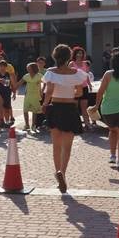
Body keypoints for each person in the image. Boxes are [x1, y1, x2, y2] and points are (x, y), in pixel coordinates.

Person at [42, 45, 87, 193]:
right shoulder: (77, 73)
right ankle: (63, 173)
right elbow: (79, 92)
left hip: (55, 107)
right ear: (69, 57)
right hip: (70, 109)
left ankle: (57, 172)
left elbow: (48, 91)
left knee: (56, 145)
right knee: (67, 146)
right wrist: (70, 90)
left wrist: (44, 104)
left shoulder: (50, 73)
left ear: (55, 57)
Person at [91, 52, 119, 172]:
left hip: (108, 109)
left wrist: (96, 105)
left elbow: (100, 92)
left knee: (112, 131)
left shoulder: (108, 74)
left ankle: (112, 155)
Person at [68, 47, 94, 130]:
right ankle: (74, 124)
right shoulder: (71, 63)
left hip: (84, 87)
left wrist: (89, 84)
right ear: (74, 54)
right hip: (74, 88)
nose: (80, 55)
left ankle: (87, 124)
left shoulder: (85, 63)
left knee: (84, 108)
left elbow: (86, 75)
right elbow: (68, 75)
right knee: (74, 108)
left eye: (81, 53)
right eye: (78, 53)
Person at [21, 62, 43, 132]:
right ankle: (27, 125)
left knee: (35, 111)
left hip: (36, 95)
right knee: (25, 110)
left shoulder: (39, 76)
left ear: (33, 68)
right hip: (28, 95)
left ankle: (33, 125)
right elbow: (19, 83)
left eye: (29, 68)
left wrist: (42, 90)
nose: (27, 69)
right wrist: (13, 88)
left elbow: (46, 83)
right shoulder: (26, 76)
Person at [0, 60, 14, 126]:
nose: (2, 67)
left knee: (7, 108)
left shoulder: (8, 74)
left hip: (7, 93)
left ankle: (7, 121)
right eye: (0, 66)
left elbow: (12, 83)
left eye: (3, 66)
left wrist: (14, 92)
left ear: (6, 67)